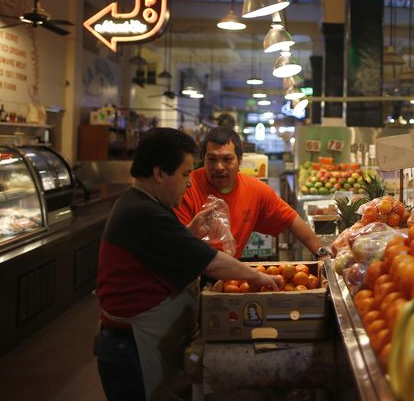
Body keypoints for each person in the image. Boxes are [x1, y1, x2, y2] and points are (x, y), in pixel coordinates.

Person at [95, 128, 281, 401]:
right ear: (159, 173)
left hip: (139, 342)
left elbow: (166, 252)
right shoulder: (144, 214)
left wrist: (188, 233)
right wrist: (258, 277)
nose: (191, 183)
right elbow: (212, 263)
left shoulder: (143, 204)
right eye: (184, 175)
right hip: (131, 348)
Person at [174, 127, 329, 260]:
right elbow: (176, 244)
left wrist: (321, 253)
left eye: (227, 159)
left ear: (240, 160)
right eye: (212, 159)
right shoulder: (186, 188)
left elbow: (292, 220)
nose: (219, 166)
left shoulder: (255, 190)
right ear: (203, 160)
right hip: (190, 272)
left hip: (229, 273)